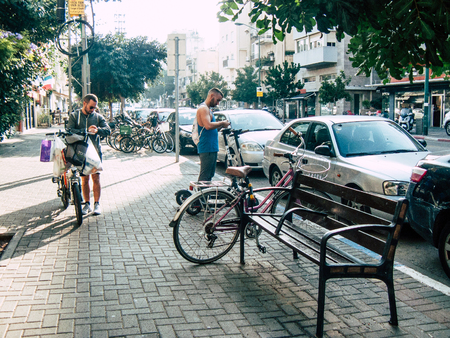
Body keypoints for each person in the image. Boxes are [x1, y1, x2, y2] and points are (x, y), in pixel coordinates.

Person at [66, 94, 111, 215]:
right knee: (84, 179)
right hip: (80, 152)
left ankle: (97, 204)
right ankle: (87, 204)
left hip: (95, 152)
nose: (93, 110)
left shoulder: (97, 117)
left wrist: (97, 130)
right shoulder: (75, 116)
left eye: (94, 108)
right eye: (91, 107)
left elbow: (108, 130)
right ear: (84, 103)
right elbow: (69, 130)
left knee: (96, 177)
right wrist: (85, 131)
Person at [196, 88, 230, 182]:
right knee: (205, 176)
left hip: (211, 148)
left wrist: (220, 127)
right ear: (212, 96)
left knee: (209, 175)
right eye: (218, 100)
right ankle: (202, 196)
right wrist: (222, 123)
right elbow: (208, 126)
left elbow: (210, 128)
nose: (218, 103)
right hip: (207, 148)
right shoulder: (204, 109)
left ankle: (206, 195)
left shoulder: (208, 110)